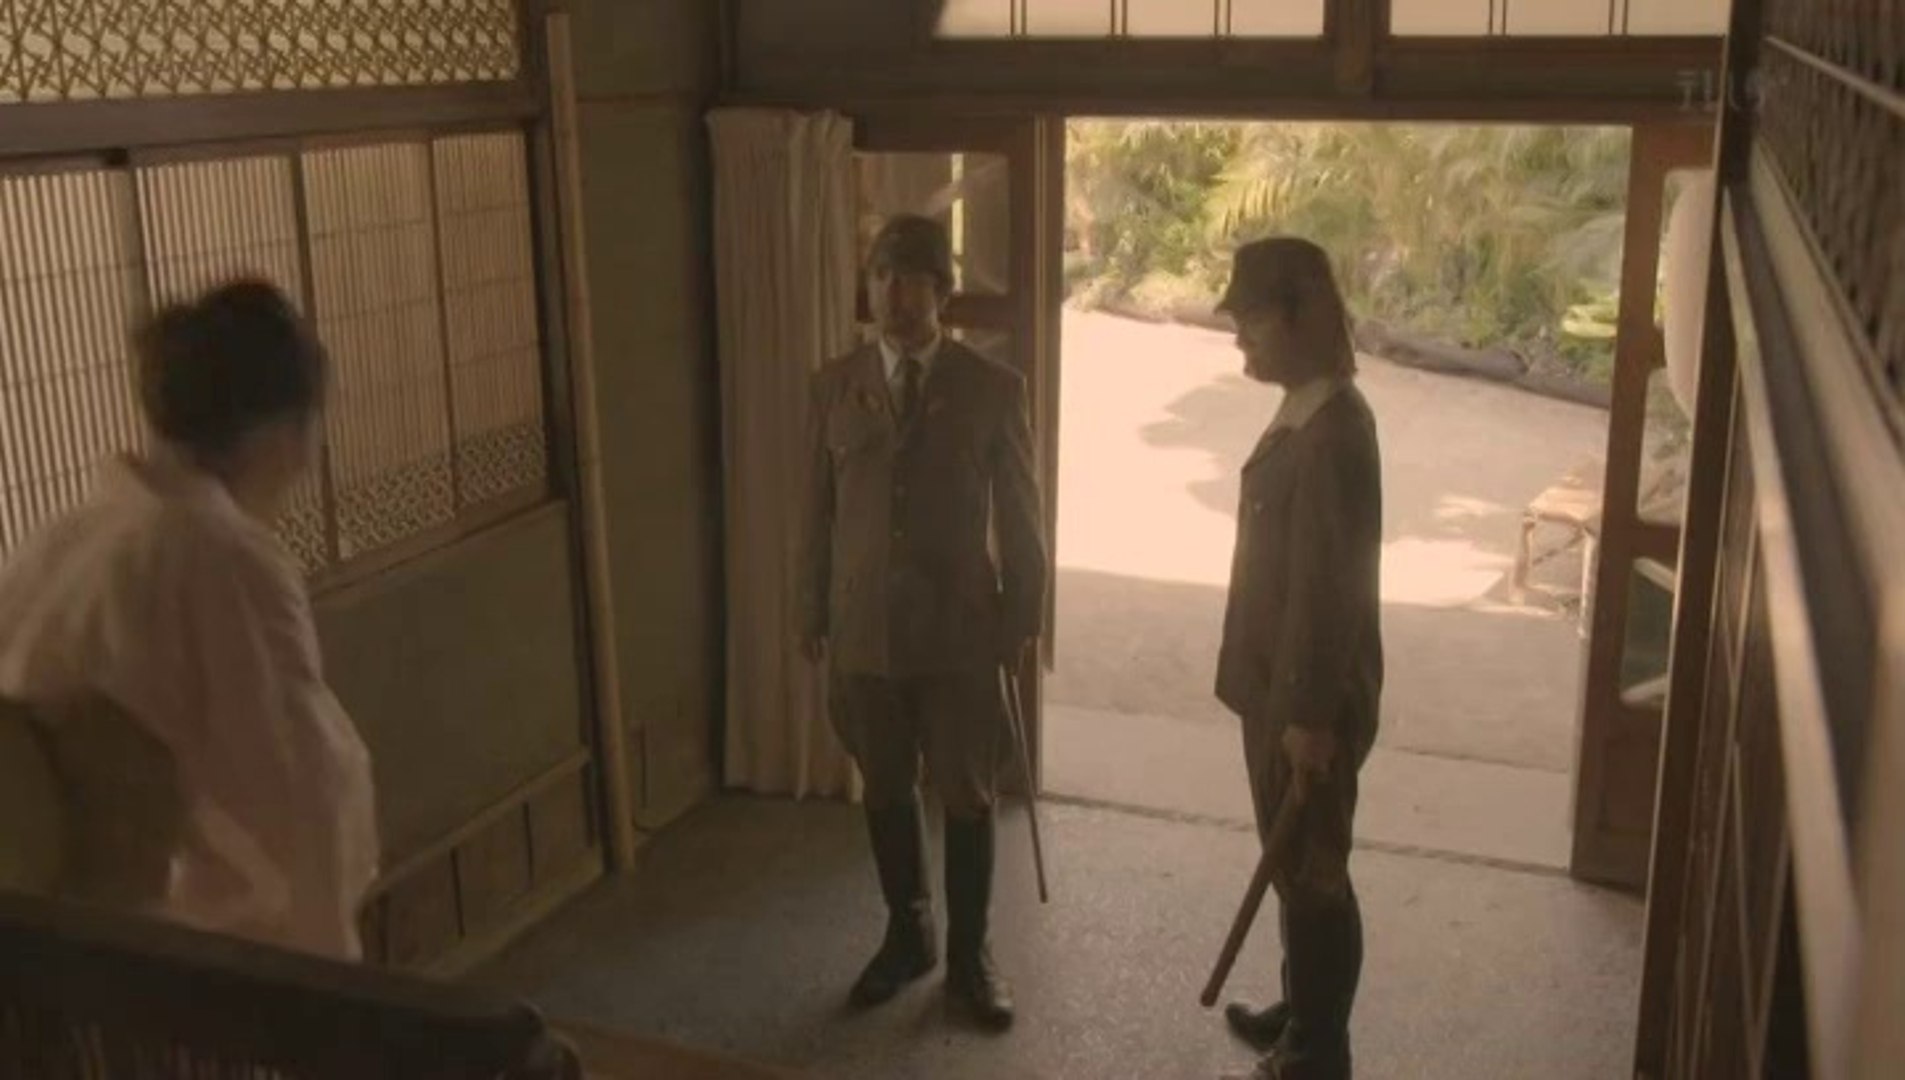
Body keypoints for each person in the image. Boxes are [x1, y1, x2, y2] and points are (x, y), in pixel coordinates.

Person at [0, 279, 379, 961]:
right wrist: (338, 977)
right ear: (281, 432)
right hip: (168, 959)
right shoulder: (222, 558)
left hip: (45, 949)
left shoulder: (57, 541)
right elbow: (298, 793)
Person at [799, 214, 1047, 1030]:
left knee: (966, 791)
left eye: (910, 280)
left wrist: (1021, 617)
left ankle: (971, 954)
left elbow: (1021, 516)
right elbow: (816, 512)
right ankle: (908, 935)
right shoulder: (834, 385)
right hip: (864, 629)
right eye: (881, 277)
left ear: (942, 292)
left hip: (959, 630)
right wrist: (810, 608)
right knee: (883, 782)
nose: (893, 296)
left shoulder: (991, 388)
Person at [1213, 238, 1384, 1080]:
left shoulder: (1330, 434)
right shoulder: (1305, 411)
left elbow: (1329, 588)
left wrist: (1311, 719)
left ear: (1300, 317)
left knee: (1315, 874)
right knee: (1293, 865)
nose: (1238, 337)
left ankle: (1318, 1052)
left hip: (1304, 702)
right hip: (1277, 690)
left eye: (1251, 320)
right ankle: (1302, 1009)